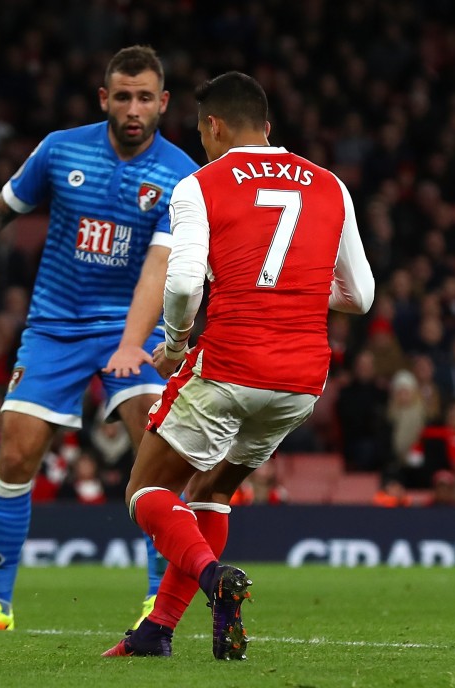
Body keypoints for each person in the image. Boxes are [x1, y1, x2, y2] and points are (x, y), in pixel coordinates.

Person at [0, 45, 198, 632]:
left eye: (144, 97)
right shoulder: (61, 148)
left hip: (134, 329)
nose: (132, 108)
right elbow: (0, 211)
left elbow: (161, 266)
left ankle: (156, 599)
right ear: (104, 98)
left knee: (158, 451)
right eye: (122, 96)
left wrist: (134, 341)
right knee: (16, 450)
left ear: (163, 103)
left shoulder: (180, 176)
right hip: (55, 326)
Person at [102, 71, 375, 660]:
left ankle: (211, 575)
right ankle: (157, 632)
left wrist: (175, 342)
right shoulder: (330, 185)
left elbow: (180, 282)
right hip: (301, 382)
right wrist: (296, 290)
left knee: (146, 488)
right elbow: (362, 296)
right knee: (212, 495)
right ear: (269, 128)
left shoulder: (200, 184)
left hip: (231, 364)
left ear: (213, 125)